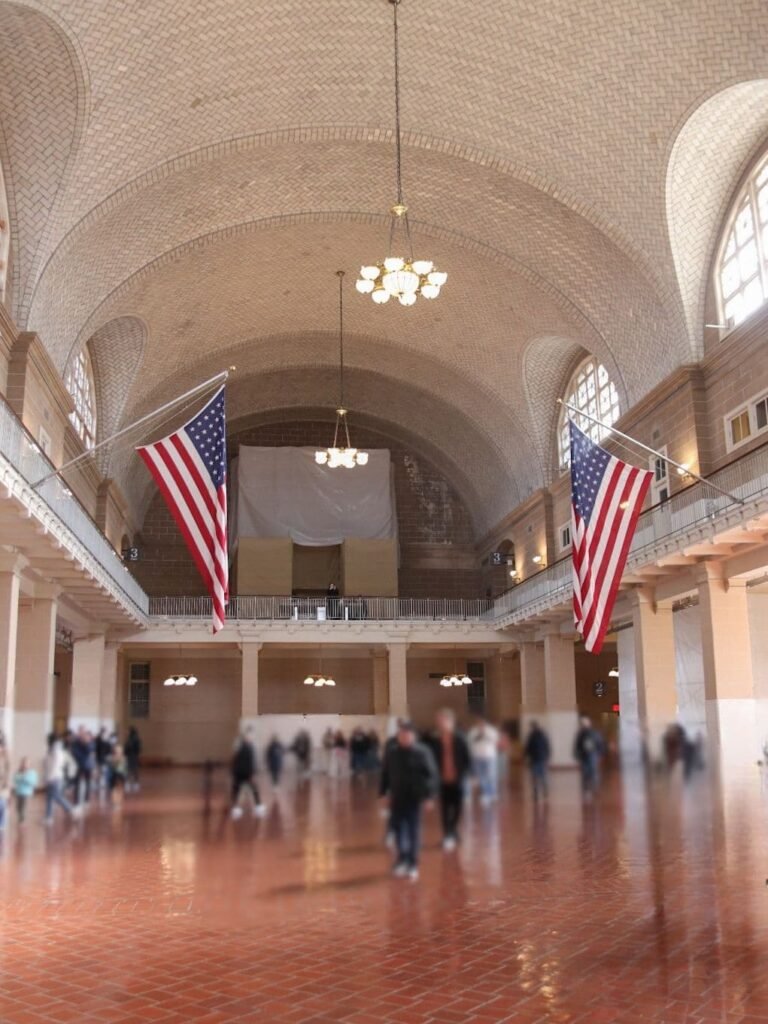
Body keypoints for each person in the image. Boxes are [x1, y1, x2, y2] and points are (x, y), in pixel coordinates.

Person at [379, 720, 438, 880]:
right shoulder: (392, 752)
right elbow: (385, 774)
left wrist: (429, 797)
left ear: (413, 736)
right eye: (401, 735)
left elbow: (431, 775)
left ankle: (412, 863)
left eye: (407, 735)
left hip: (414, 797)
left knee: (413, 831)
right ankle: (402, 859)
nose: (404, 737)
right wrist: (383, 793)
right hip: (397, 797)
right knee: (398, 829)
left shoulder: (422, 752)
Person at [425, 709, 472, 851]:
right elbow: (431, 760)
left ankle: (453, 829)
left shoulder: (460, 739)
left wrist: (468, 775)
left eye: (442, 720)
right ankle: (448, 834)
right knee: (445, 808)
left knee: (458, 807)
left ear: (450, 721)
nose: (439, 723)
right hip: (442, 779)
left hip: (457, 779)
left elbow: (467, 758)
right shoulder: (435, 740)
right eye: (438, 721)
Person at [44, 735, 79, 824]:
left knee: (56, 796)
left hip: (55, 777)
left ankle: (71, 809)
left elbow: (55, 766)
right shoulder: (53, 750)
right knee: (49, 798)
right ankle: (49, 817)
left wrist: (49, 778)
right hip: (53, 777)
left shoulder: (57, 751)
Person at [230, 728, 265, 819]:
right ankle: (256, 808)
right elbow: (248, 762)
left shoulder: (242, 747)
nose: (251, 738)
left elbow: (236, 761)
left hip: (241, 773)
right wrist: (251, 774)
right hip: (244, 773)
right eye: (249, 736)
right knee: (250, 790)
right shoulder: (246, 748)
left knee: (239, 790)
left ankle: (238, 809)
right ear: (246, 738)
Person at [468, 716, 500, 805]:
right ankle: (486, 793)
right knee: (481, 776)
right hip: (477, 757)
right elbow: (470, 741)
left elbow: (495, 741)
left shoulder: (491, 731)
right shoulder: (473, 731)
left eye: (482, 721)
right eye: (478, 721)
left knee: (491, 775)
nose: (480, 723)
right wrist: (478, 736)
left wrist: (485, 734)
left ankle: (492, 793)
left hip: (489, 756)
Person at [573, 716, 605, 800]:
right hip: (586, 757)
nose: (583, 725)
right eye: (582, 724)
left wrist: (599, 754)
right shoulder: (581, 734)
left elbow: (600, 744)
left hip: (592, 756)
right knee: (586, 774)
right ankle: (588, 790)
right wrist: (577, 754)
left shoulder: (594, 733)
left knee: (592, 773)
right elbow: (577, 746)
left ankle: (593, 789)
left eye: (584, 724)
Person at [523, 720, 551, 801]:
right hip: (541, 758)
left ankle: (536, 793)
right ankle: (544, 792)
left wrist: (525, 757)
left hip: (535, 759)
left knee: (535, 777)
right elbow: (547, 746)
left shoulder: (531, 736)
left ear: (533, 727)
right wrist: (547, 756)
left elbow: (527, 748)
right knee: (543, 776)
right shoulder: (543, 735)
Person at [70, 726, 95, 805]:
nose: (82, 733)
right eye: (80, 731)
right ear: (78, 732)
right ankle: (76, 800)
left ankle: (86, 800)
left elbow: (90, 750)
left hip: (88, 765)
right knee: (77, 783)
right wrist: (81, 757)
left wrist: (86, 743)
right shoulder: (75, 741)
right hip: (79, 764)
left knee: (88, 783)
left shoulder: (89, 740)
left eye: (83, 731)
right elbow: (74, 752)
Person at [12, 757, 38, 825]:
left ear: (29, 764)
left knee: (24, 807)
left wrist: (24, 778)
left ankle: (22, 820)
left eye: (26, 763)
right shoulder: (18, 771)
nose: (24, 765)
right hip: (18, 792)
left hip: (27, 793)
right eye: (23, 763)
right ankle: (20, 817)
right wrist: (20, 777)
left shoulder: (32, 772)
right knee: (18, 807)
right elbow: (15, 779)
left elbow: (33, 782)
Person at [124, 727, 142, 793]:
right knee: (133, 770)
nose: (126, 732)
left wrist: (127, 752)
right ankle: (134, 784)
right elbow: (139, 749)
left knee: (131, 770)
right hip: (133, 756)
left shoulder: (132, 739)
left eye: (128, 731)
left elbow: (126, 749)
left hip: (131, 757)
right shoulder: (134, 739)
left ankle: (131, 784)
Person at [0, 736, 9, 831]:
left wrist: (6, 782)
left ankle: (2, 824)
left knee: (2, 804)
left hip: (2, 785)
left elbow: (7, 771)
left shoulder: (5, 757)